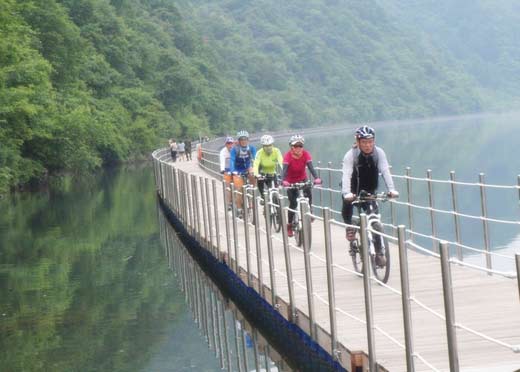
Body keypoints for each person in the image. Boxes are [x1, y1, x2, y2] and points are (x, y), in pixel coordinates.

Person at [341, 125, 399, 263]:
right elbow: (346, 174)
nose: (368, 145)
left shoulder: (379, 153)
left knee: (374, 218)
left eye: (370, 141)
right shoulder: (351, 155)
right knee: (346, 207)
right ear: (358, 141)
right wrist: (346, 193)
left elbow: (385, 171)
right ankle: (350, 226)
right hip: (353, 190)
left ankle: (379, 253)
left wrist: (392, 189)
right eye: (364, 142)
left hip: (370, 191)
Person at [281, 134, 322, 237]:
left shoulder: (306, 154)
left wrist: (316, 178)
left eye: (300, 146)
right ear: (291, 147)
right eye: (296, 146)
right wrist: (283, 181)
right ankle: (289, 225)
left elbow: (311, 168)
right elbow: (284, 171)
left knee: (309, 195)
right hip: (290, 182)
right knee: (293, 203)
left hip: (303, 179)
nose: (298, 148)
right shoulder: (287, 156)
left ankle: (310, 211)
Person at [229, 130, 257, 217]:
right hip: (238, 169)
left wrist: (255, 168)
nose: (244, 141)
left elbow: (256, 159)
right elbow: (232, 160)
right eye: (242, 139)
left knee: (253, 175)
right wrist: (233, 171)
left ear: (248, 140)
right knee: (239, 190)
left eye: (245, 139)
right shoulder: (234, 149)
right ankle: (239, 208)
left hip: (248, 167)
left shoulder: (251, 148)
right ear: (239, 141)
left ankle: (253, 191)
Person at [220, 136, 235, 210]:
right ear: (226, 144)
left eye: (231, 143)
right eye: (228, 143)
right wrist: (222, 170)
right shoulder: (223, 151)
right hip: (227, 169)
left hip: (235, 169)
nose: (230, 145)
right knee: (228, 186)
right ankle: (229, 203)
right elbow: (222, 161)